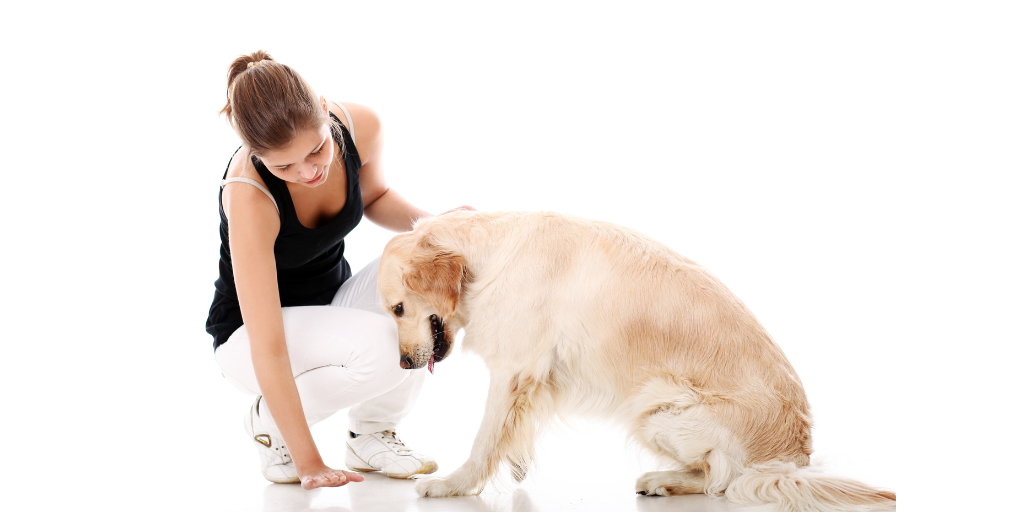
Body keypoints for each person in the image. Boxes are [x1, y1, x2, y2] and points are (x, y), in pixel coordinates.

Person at [206, 50, 471, 490]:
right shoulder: (248, 195)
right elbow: (269, 345)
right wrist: (309, 460)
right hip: (248, 338)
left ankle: (369, 434)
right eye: (284, 166)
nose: (308, 171)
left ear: (326, 110)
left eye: (316, 150)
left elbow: (375, 195)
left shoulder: (361, 126)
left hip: (330, 303)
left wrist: (437, 226)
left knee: (419, 275)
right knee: (388, 347)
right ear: (256, 155)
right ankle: (270, 425)